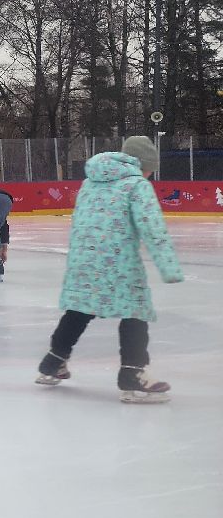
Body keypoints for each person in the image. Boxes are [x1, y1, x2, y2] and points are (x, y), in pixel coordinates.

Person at [36, 136, 182, 403]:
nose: (150, 175)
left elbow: (80, 221)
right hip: (120, 264)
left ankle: (52, 362)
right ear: (143, 164)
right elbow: (153, 229)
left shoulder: (89, 182)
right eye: (151, 169)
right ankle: (133, 375)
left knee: (80, 309)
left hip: (84, 261)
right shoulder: (137, 185)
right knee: (135, 311)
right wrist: (169, 267)